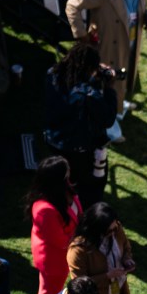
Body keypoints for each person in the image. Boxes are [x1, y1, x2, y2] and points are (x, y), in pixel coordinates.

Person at [66, 0, 147, 140]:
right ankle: (110, 127)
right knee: (107, 84)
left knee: (121, 78)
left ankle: (118, 104)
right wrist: (82, 36)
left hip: (129, 45)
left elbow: (132, 15)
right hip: (107, 46)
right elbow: (72, 5)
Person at [44, 43, 118, 208]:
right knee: (89, 188)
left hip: (55, 142)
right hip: (81, 151)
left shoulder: (52, 75)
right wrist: (109, 88)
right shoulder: (89, 95)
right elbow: (108, 118)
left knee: (61, 182)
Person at [26, 156, 83, 294]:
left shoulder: (65, 192)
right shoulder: (44, 209)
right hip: (53, 259)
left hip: (64, 252)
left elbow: (77, 212)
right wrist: (80, 236)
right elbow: (59, 240)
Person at [66, 203, 136, 294]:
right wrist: (107, 276)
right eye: (109, 231)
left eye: (116, 227)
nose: (114, 231)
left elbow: (126, 246)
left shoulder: (116, 229)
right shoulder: (78, 250)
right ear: (96, 230)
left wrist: (127, 259)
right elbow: (79, 285)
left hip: (118, 292)